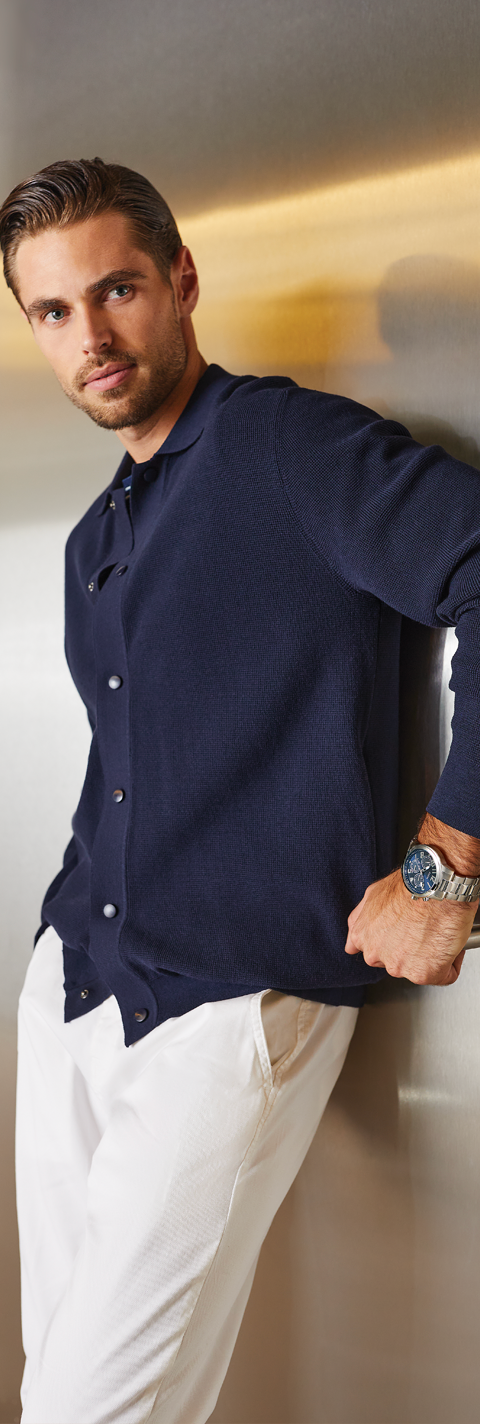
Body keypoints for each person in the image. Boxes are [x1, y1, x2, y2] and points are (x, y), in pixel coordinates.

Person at [1, 157, 480, 1424]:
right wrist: (55, 946)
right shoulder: (94, 535)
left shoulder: (287, 445)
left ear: (182, 281)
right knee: (64, 1387)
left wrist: (446, 863)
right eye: (51, 312)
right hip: (72, 1000)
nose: (91, 337)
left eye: (116, 290)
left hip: (231, 1006)